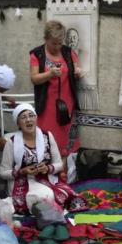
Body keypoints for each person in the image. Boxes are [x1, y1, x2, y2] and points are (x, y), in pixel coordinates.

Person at [0, 103, 83, 214]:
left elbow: (59, 164)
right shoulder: (11, 142)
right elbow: (3, 172)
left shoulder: (47, 136)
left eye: (31, 115)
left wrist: (47, 168)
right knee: (46, 196)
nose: (28, 120)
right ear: (18, 123)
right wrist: (22, 171)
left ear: (36, 118)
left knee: (68, 195)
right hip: (22, 182)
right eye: (23, 117)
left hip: (46, 178)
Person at [30, 20, 84, 160]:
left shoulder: (68, 52)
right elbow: (34, 78)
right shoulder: (37, 54)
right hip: (46, 103)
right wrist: (50, 74)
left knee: (65, 138)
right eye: (53, 43)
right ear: (45, 39)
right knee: (46, 137)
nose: (57, 46)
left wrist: (77, 73)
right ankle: (46, 167)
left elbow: (76, 69)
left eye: (60, 43)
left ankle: (64, 169)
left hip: (66, 103)